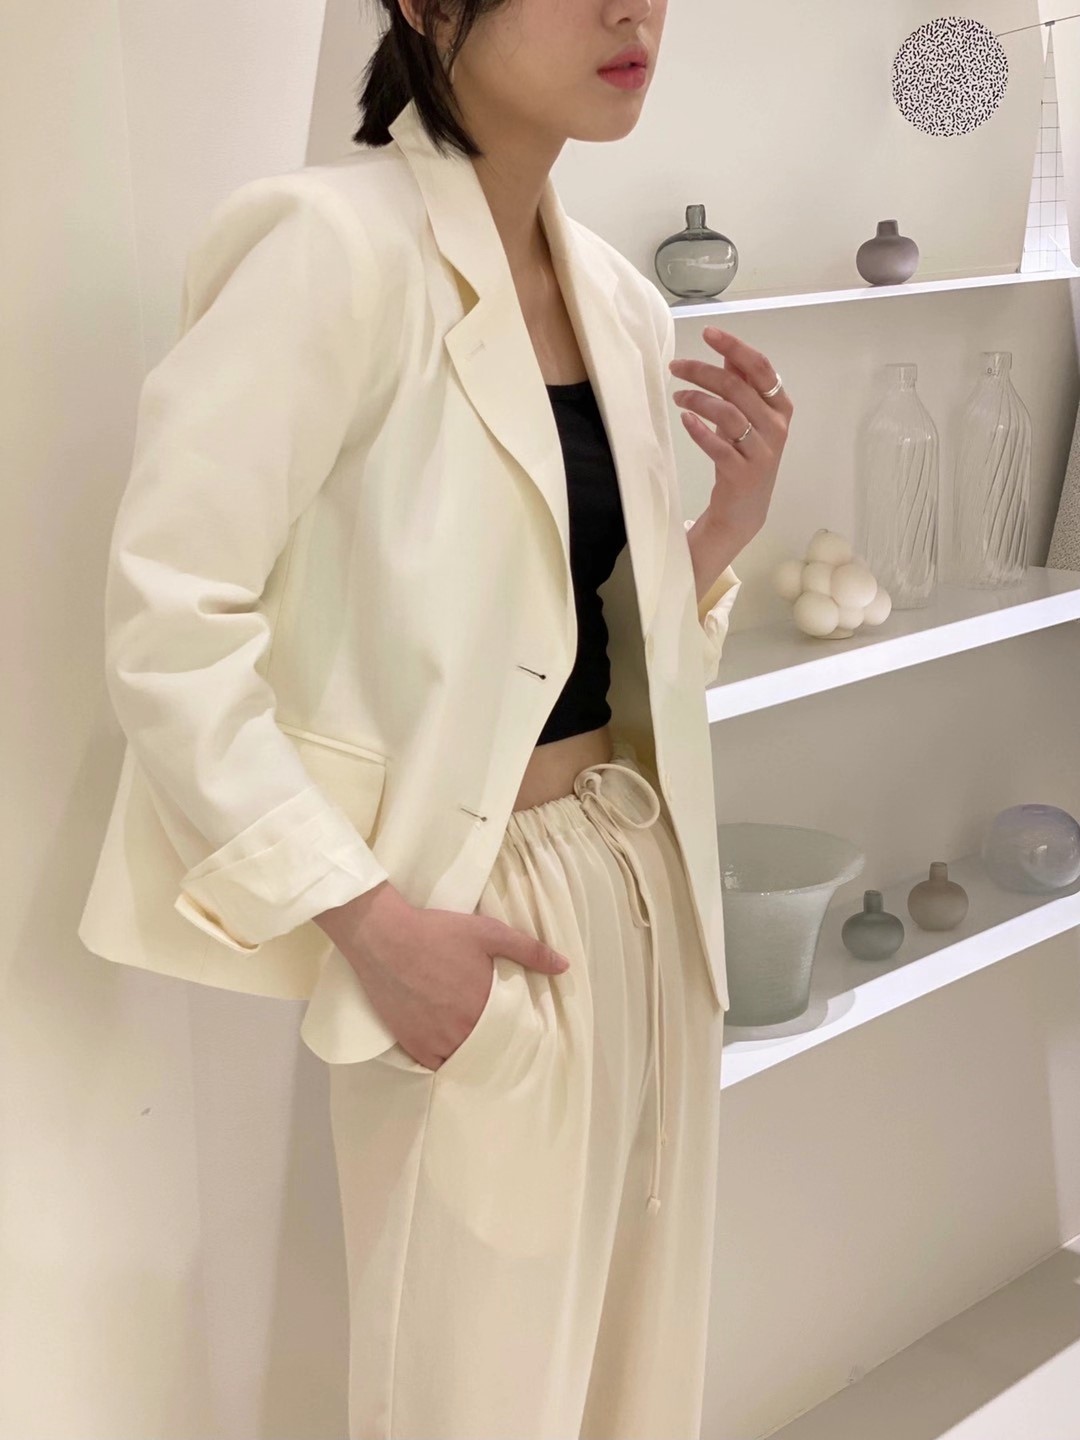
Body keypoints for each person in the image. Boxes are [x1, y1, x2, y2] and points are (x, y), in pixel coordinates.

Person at [81, 0, 793, 1433]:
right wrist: (368, 922)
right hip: (476, 910)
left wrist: (724, 533)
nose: (634, 11)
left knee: (639, 1391)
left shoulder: (621, 301)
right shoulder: (329, 251)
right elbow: (169, 619)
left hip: (641, 886)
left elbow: (581, 649)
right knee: (472, 1402)